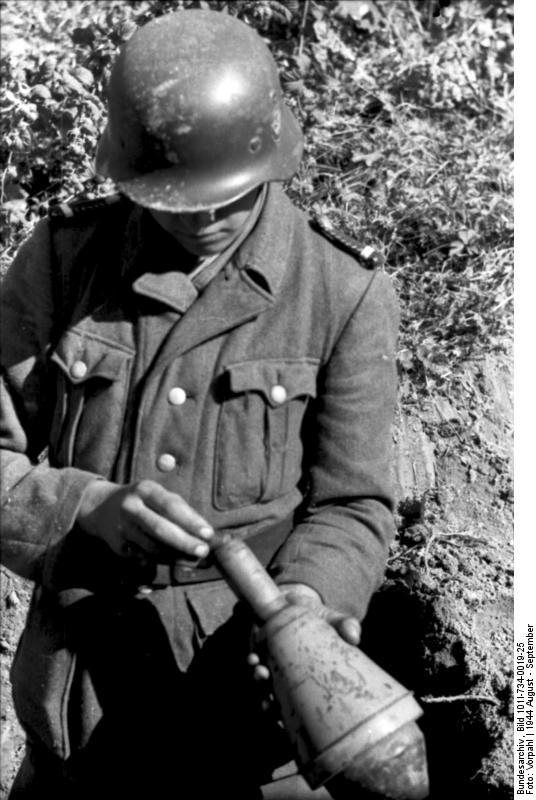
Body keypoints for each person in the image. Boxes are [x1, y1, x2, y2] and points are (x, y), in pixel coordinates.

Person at [0, 8, 399, 799]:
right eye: (177, 200)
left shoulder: (343, 293)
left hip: (253, 723)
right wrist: (84, 508)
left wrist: (310, 602)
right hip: (83, 712)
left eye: (230, 196)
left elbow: (354, 503)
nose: (205, 219)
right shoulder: (60, 262)